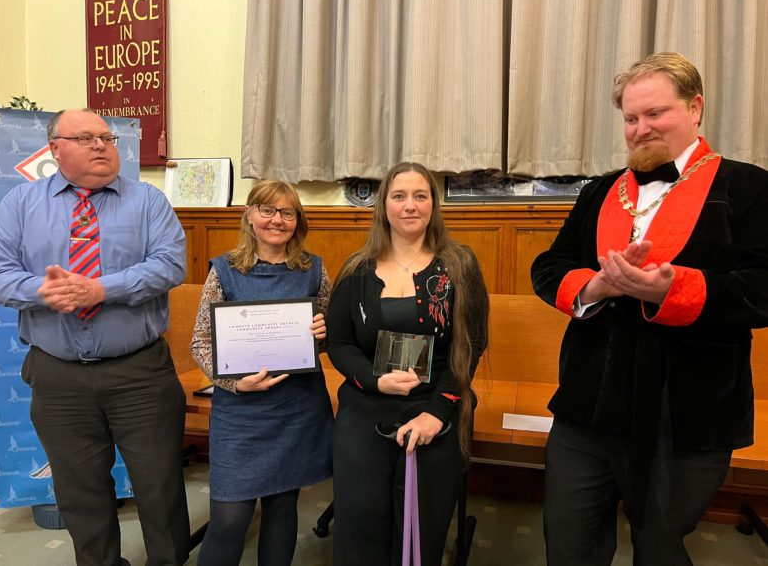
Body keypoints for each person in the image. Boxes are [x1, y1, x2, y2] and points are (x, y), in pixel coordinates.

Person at [531, 52, 768, 565]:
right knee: (567, 546)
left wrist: (668, 291)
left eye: (655, 114)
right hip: (587, 409)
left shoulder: (750, 187)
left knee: (659, 550)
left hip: (689, 416)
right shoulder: (599, 191)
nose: (641, 129)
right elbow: (548, 268)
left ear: (696, 108)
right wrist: (597, 287)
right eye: (631, 118)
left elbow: (762, 287)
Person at [0, 108, 190, 565]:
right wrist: (42, 292)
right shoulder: (20, 205)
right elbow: (1, 274)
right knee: (80, 494)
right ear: (55, 148)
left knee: (160, 489)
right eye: (85, 138)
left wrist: (101, 288)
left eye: (105, 137)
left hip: (140, 374)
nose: (102, 145)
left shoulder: (148, 201)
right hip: (58, 376)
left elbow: (170, 265)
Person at [326, 161, 489, 566]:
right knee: (360, 522)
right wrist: (373, 380)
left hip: (435, 409)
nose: (410, 206)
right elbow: (340, 342)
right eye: (399, 196)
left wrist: (438, 412)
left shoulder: (459, 266)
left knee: (420, 527)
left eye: (421, 196)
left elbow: (470, 345)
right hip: (366, 407)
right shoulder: (356, 269)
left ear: (433, 204)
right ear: (384, 205)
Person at [190, 179, 333, 566]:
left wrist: (324, 332)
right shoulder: (224, 270)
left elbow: (328, 338)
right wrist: (235, 384)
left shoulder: (313, 269)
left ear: (297, 221)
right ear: (250, 216)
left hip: (296, 410)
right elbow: (200, 343)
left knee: (283, 509)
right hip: (241, 414)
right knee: (229, 519)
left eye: (287, 212)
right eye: (267, 210)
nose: (277, 220)